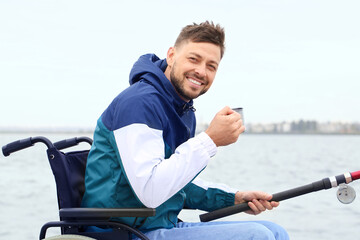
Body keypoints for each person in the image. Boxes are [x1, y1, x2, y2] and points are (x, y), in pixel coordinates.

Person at [81, 21, 289, 240]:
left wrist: (233, 198)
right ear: (171, 55)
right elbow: (150, 191)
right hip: (121, 233)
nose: (201, 71)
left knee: (275, 231)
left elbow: (176, 182)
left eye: (211, 66)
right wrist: (210, 140)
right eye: (193, 59)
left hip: (158, 225)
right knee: (258, 236)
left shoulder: (182, 110)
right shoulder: (139, 104)